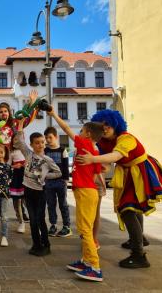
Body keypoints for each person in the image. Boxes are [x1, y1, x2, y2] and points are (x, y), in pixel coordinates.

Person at [76, 109, 162, 269]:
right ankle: (139, 239)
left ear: (116, 124)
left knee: (127, 209)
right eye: (101, 125)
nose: (104, 128)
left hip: (140, 172)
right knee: (132, 208)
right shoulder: (106, 142)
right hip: (129, 174)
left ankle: (139, 255)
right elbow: (107, 160)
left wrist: (93, 159)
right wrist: (100, 165)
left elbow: (115, 157)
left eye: (108, 124)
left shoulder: (126, 138)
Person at [49, 107, 104, 282]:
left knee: (85, 229)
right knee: (83, 227)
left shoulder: (86, 144)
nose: (78, 134)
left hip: (86, 192)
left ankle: (94, 267)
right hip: (89, 192)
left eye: (81, 131)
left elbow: (66, 129)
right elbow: (97, 174)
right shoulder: (94, 151)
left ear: (87, 134)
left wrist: (53, 114)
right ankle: (86, 261)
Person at [13, 119, 62, 257]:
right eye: (37, 142)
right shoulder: (28, 154)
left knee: (40, 219)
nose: (40, 144)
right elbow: (18, 141)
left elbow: (59, 172)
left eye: (42, 142)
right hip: (28, 191)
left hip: (40, 193)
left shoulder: (48, 160)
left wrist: (45, 176)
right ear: (32, 144)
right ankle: (36, 244)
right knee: (33, 220)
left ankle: (46, 244)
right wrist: (21, 124)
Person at [44, 126, 72, 237]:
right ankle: (53, 225)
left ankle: (66, 226)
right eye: (46, 138)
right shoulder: (45, 151)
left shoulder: (62, 150)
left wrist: (66, 180)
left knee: (63, 204)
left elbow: (65, 166)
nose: (48, 140)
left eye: (50, 137)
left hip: (60, 182)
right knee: (51, 204)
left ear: (56, 137)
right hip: (48, 182)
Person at [8, 144, 29, 234]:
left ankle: (35, 222)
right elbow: (7, 165)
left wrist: (25, 165)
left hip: (26, 177)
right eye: (15, 139)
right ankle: (21, 222)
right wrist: (13, 166)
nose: (17, 141)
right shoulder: (11, 152)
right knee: (17, 201)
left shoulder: (27, 150)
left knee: (28, 201)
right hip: (16, 178)